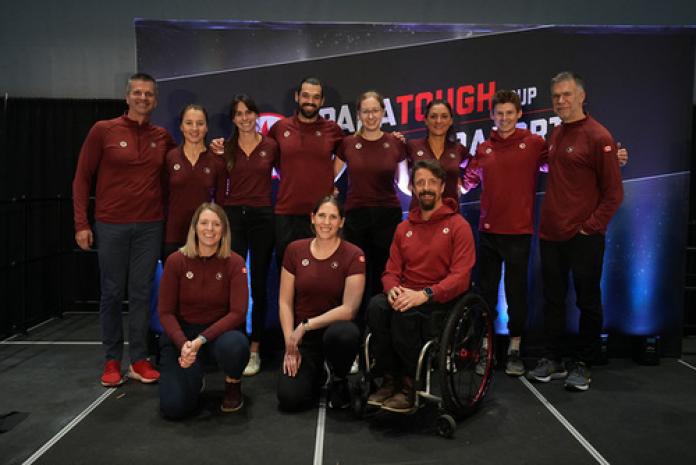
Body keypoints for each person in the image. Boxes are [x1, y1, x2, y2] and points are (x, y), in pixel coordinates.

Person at [72, 72, 176, 387]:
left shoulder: (162, 136)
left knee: (143, 293)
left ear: (155, 100)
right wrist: (81, 223)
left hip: (149, 227)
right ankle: (112, 360)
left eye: (148, 94)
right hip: (111, 225)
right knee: (112, 293)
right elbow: (81, 178)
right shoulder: (103, 131)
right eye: (137, 93)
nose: (143, 98)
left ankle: (140, 360)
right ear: (127, 96)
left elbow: (177, 175)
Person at [528, 71, 624, 391]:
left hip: (583, 238)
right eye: (556, 96)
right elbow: (545, 166)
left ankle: (584, 362)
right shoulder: (555, 135)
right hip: (551, 235)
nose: (561, 101)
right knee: (552, 300)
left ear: (582, 97)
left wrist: (590, 228)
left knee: (588, 301)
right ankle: (552, 358)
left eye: (567, 95)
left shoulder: (599, 136)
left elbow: (614, 194)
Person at [366, 159, 475, 412]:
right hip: (406, 294)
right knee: (377, 307)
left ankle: (408, 386)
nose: (426, 188)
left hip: (438, 300)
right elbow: (390, 271)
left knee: (406, 315)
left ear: (442, 187)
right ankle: (389, 379)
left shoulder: (459, 226)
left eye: (431, 183)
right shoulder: (404, 228)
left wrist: (425, 294)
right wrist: (392, 288)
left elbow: (461, 277)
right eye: (420, 183)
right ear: (413, 189)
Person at [463, 90, 547, 377]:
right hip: (488, 233)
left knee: (516, 295)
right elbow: (466, 181)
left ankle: (514, 350)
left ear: (519, 114)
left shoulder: (535, 144)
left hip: (519, 233)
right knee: (485, 293)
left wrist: (612, 155)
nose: (505, 118)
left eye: (510, 112)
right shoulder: (484, 149)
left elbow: (560, 164)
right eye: (500, 113)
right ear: (492, 116)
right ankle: (486, 348)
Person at [158, 203, 250, 418]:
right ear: (195, 227)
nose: (210, 229)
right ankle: (193, 377)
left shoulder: (235, 262)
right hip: (183, 338)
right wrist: (183, 344)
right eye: (204, 223)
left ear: (224, 230)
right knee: (174, 409)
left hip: (218, 336)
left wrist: (201, 340)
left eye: (216, 224)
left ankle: (232, 385)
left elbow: (238, 312)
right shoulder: (175, 261)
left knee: (236, 345)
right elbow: (165, 312)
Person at [277, 195, 365, 411]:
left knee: (345, 333)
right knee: (290, 399)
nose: (326, 222)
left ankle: (338, 377)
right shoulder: (295, 250)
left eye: (333, 217)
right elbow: (284, 301)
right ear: (313, 218)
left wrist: (306, 325)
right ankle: (317, 372)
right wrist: (290, 342)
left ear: (341, 222)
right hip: (302, 338)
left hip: (333, 332)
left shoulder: (354, 254)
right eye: (322, 216)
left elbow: (349, 310)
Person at [336, 90, 406, 323]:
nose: (371, 116)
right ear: (358, 114)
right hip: (357, 218)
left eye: (375, 110)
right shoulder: (347, 144)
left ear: (383, 112)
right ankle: (355, 334)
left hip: (387, 217)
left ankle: (380, 334)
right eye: (366, 111)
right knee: (356, 278)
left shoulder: (395, 143)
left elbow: (405, 183)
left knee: (384, 277)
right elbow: (329, 178)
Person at [222, 94, 279, 376]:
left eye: (248, 112)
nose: (244, 118)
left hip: (263, 217)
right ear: (233, 119)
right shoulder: (225, 148)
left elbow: (292, 175)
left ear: (256, 115)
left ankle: (255, 349)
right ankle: (234, 345)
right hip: (233, 218)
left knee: (258, 283)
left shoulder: (271, 146)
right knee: (234, 283)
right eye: (238, 113)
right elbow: (219, 187)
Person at [268, 77, 345, 266]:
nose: (310, 101)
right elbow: (268, 158)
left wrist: (329, 178)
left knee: (321, 272)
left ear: (322, 101)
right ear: (297, 97)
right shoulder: (280, 128)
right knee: (287, 270)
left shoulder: (332, 130)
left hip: (321, 216)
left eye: (315, 97)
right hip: (287, 212)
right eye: (305, 96)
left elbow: (346, 153)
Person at [162, 104, 227, 259]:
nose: (194, 128)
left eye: (200, 123)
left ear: (206, 128)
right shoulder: (170, 157)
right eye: (189, 123)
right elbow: (161, 198)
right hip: (173, 236)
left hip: (205, 238)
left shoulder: (217, 161)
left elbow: (220, 204)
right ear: (181, 127)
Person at [406, 99, 469, 206]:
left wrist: (464, 185)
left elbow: (476, 168)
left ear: (451, 121)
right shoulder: (412, 146)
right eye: (433, 116)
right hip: (420, 216)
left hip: (450, 215)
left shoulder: (459, 150)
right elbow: (397, 173)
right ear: (425, 120)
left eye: (444, 116)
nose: (438, 121)